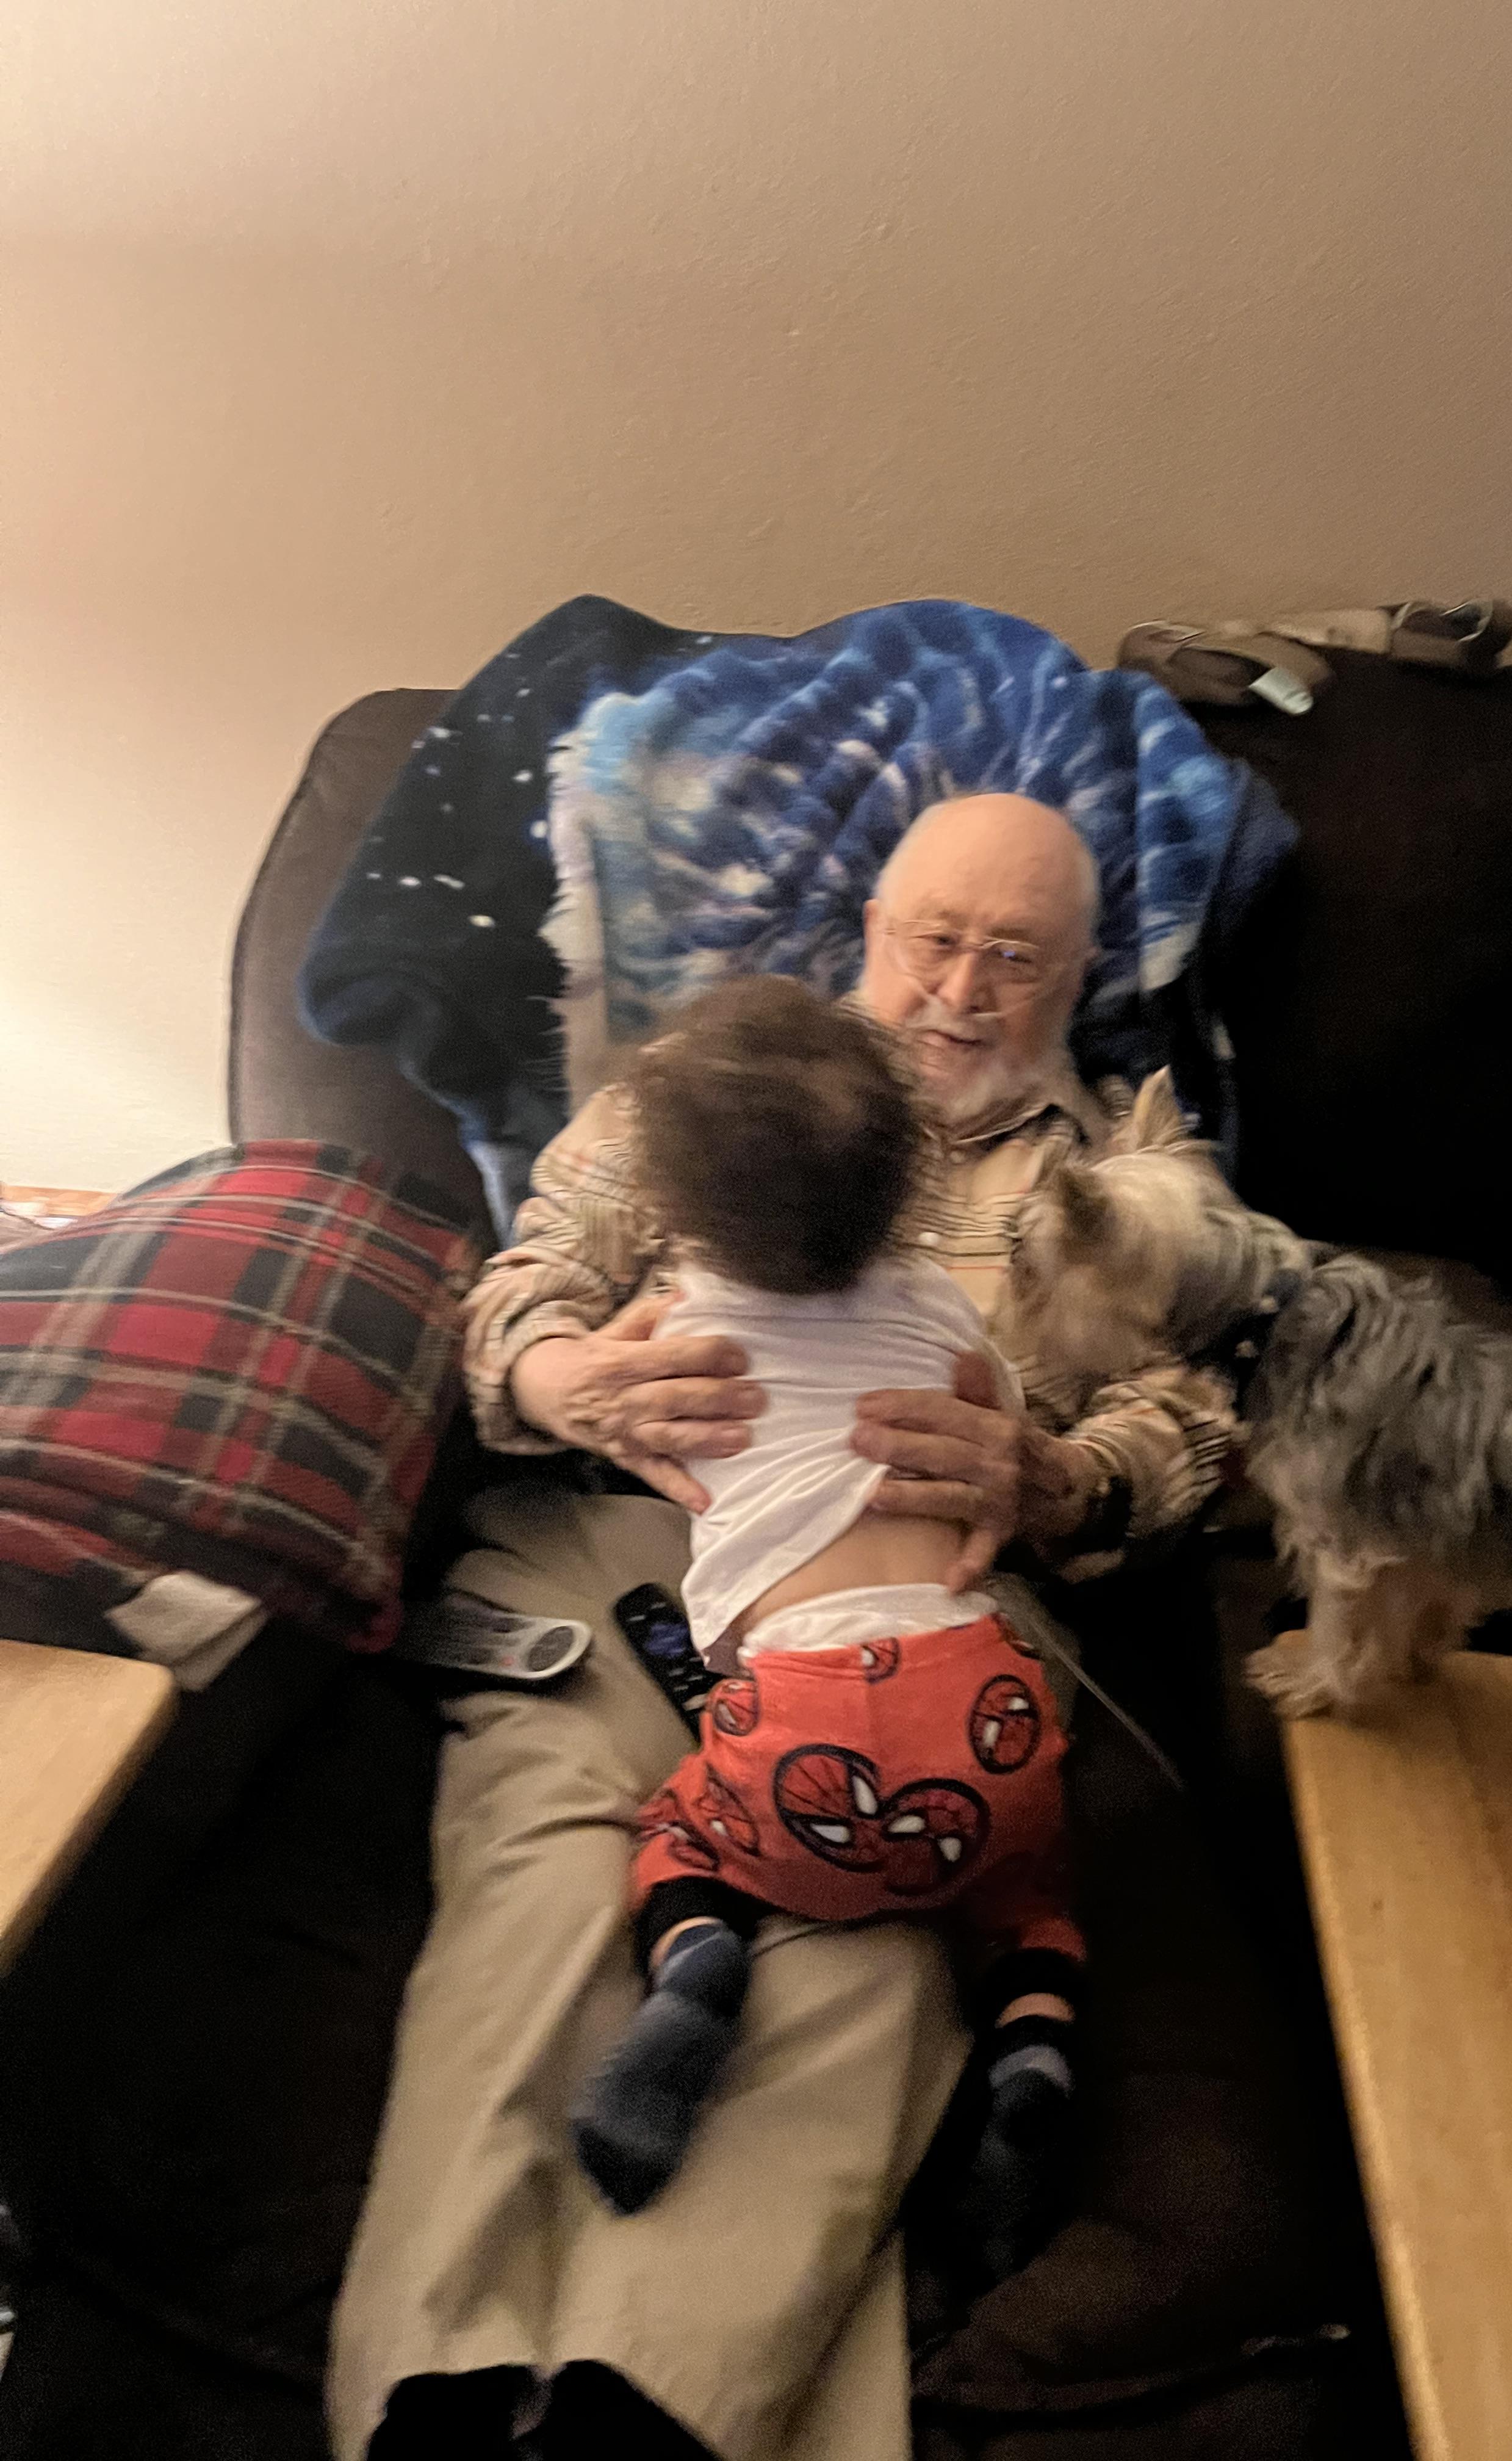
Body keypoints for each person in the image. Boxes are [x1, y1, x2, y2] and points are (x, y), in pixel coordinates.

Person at [329, 794, 1242, 2461]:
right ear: (869, 933)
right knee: (547, 1860)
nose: (962, 989)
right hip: (624, 1555)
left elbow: (1197, 1428)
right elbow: (517, 1285)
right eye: (932, 942)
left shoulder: (1134, 1177)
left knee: (883, 1934)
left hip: (939, 1610)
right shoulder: (709, 1092)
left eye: (1015, 958)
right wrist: (566, 1377)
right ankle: (443, 2390)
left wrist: (1055, 1474)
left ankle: (651, 2404)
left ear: (1083, 975)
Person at [565, 978, 1084, 2275]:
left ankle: (697, 1966)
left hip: (797, 1739)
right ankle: (1034, 2044)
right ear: (911, 1180)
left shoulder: (675, 1325)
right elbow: (1000, 1415)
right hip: (985, 1710)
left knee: (681, 1832)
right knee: (1031, 1894)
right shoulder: (944, 1308)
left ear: (674, 1208)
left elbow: (611, 1387)